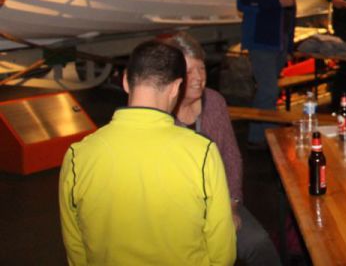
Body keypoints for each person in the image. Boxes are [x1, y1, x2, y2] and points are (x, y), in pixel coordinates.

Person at [59, 41, 236, 266]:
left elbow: (76, 247)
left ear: (125, 81)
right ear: (176, 87)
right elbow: (223, 253)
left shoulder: (77, 156)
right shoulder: (202, 153)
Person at [168, 32, 280, 266]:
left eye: (201, 69)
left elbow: (232, 157)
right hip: (178, 210)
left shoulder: (215, 102)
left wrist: (232, 204)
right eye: (189, 71)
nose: (198, 78)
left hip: (220, 200)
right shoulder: (162, 112)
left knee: (259, 244)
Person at [238, 0, 296, 146]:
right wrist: (275, 2)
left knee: (268, 91)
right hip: (262, 38)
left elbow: (290, 10)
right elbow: (243, 3)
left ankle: (262, 135)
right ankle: (265, 138)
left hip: (279, 38)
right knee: (269, 89)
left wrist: (289, 43)